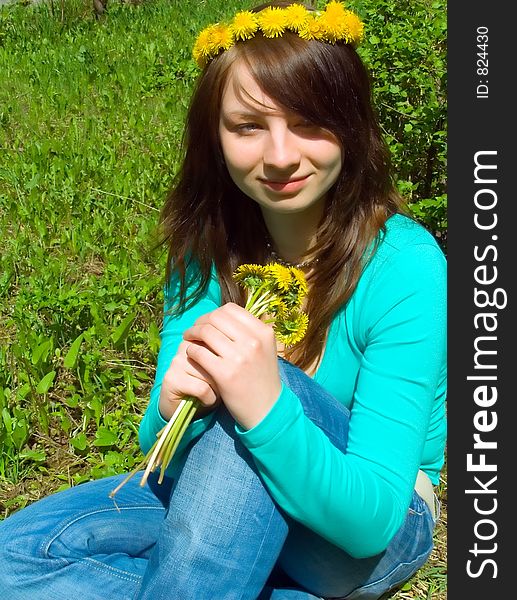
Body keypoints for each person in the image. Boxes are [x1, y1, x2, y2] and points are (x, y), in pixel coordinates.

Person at [0, 2, 447, 599]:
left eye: (309, 123)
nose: (282, 155)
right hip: (223, 492)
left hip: (367, 530)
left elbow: (369, 524)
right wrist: (169, 407)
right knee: (18, 557)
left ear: (351, 125)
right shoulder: (206, 251)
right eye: (248, 126)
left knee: (256, 403)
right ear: (215, 136)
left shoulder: (404, 266)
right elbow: (162, 451)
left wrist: (263, 405)